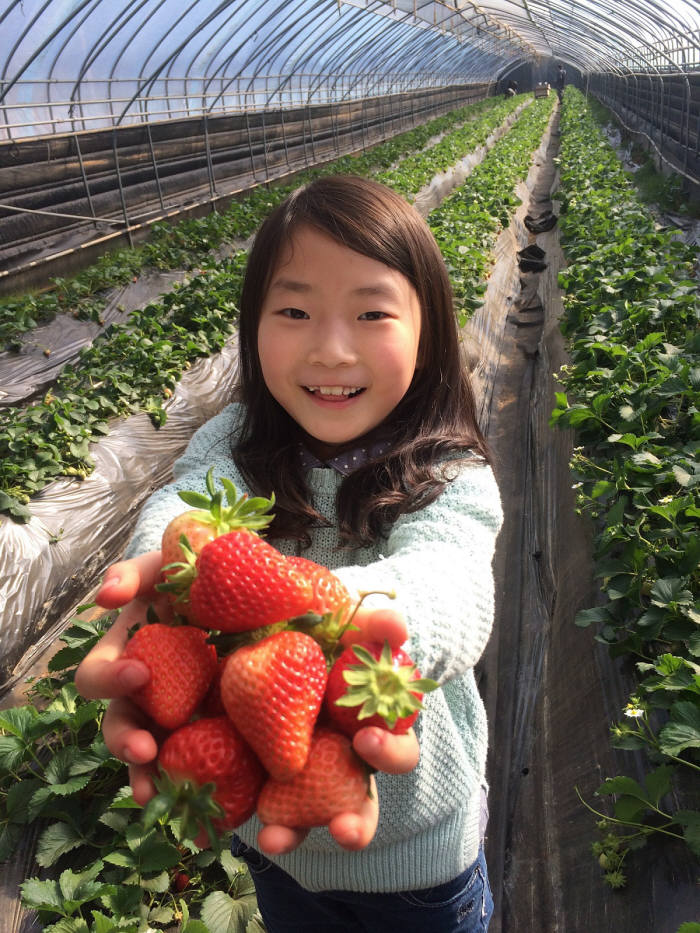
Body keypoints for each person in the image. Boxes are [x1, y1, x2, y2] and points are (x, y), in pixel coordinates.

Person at [75, 174, 503, 932]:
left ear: (428, 330)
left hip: (424, 861)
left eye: (372, 312)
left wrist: (362, 613)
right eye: (295, 311)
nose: (330, 349)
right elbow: (181, 505)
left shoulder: (449, 475)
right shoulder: (233, 449)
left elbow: (453, 576)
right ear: (252, 326)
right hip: (272, 845)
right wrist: (159, 576)